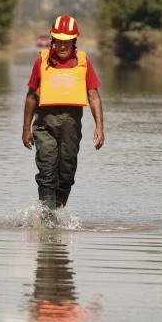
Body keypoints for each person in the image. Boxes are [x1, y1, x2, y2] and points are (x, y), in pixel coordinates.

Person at [22, 14, 105, 210]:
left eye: (66, 42)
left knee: (66, 173)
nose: (62, 46)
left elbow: (94, 97)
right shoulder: (41, 62)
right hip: (44, 127)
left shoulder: (83, 63)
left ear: (74, 41)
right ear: (53, 40)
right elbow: (31, 97)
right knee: (47, 171)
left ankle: (57, 212)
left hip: (71, 128)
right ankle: (47, 217)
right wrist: (26, 129)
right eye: (58, 41)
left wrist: (99, 127)